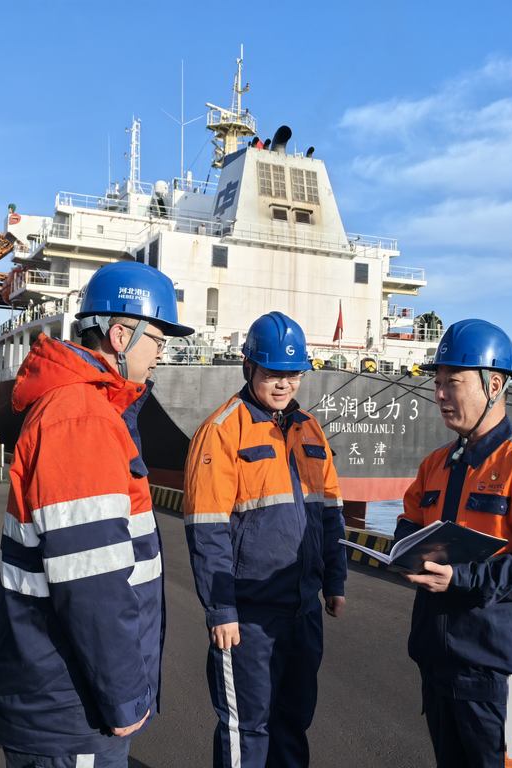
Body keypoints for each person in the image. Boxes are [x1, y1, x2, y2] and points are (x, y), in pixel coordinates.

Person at [0, 261, 194, 768]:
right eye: (158, 339)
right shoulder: (81, 417)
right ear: (121, 336)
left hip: (64, 691)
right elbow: (91, 580)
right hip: (72, 705)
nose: (162, 352)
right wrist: (123, 697)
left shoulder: (87, 409)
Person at [395, 318, 512, 768]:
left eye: (452, 383)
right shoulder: (435, 465)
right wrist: (408, 554)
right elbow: (409, 524)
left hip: (504, 676)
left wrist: (459, 578)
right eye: (437, 383)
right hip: (442, 667)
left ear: (493, 385)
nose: (439, 395)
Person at [183, 311, 348, 768]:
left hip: (303, 610)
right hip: (250, 616)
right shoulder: (221, 431)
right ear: (249, 367)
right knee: (247, 729)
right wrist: (221, 610)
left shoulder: (310, 429)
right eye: (273, 373)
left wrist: (334, 582)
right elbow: (207, 530)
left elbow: (330, 513)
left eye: (293, 374)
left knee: (293, 721)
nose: (284, 384)